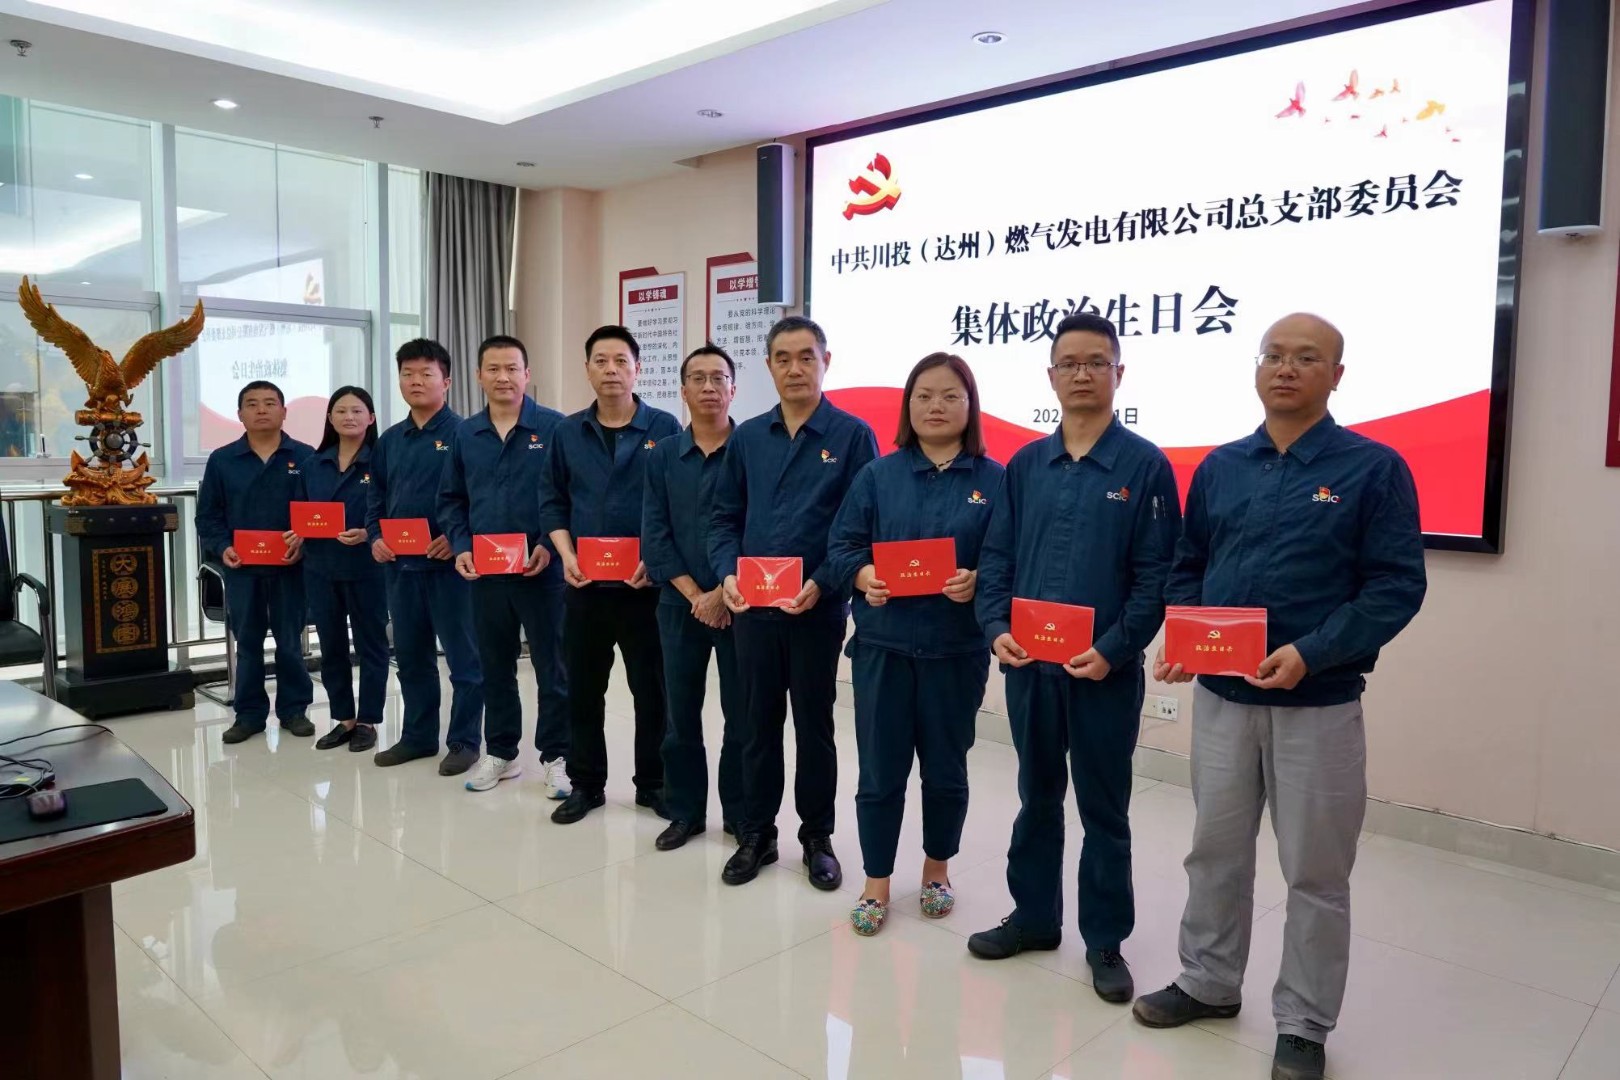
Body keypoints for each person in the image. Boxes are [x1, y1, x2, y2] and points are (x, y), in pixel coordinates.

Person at [1132, 313, 1427, 1080]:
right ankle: (1208, 980)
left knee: (1316, 874)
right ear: (1257, 368)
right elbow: (1189, 564)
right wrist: (1186, 634)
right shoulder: (1222, 467)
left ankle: (1303, 1022)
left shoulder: (1373, 469)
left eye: (1306, 357)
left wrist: (1311, 652)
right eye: (1274, 355)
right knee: (1215, 852)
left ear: (1337, 375)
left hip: (1319, 705)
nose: (1286, 368)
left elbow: (1396, 587)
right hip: (1223, 703)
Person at [970, 312, 1181, 1004]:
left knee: (1104, 808)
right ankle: (1034, 917)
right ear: (1051, 376)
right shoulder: (1026, 466)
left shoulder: (1145, 466)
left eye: (1096, 362)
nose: (1082, 374)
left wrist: (1116, 648)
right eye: (1070, 363)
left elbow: (1156, 577)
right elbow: (996, 558)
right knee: (1036, 796)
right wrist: (995, 626)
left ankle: (1105, 940)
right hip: (1030, 669)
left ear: (1119, 373)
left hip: (1103, 674)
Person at [825, 353, 1004, 936]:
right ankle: (876, 882)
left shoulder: (996, 480)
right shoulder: (878, 476)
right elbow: (842, 547)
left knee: (946, 771)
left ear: (970, 405)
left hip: (955, 653)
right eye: (924, 395)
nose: (936, 406)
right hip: (884, 650)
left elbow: (1010, 559)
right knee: (880, 772)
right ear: (908, 406)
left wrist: (979, 579)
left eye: (950, 395)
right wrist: (863, 576)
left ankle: (936, 872)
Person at [711, 315, 878, 890]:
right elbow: (723, 518)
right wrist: (726, 574)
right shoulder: (748, 438)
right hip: (752, 611)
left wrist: (825, 581)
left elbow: (860, 528)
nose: (795, 368)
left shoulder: (852, 436)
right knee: (755, 724)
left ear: (825, 362)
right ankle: (757, 833)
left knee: (814, 726)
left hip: (817, 609)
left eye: (807, 357)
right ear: (768, 367)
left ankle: (817, 837)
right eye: (783, 358)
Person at [540, 325, 681, 825]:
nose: (611, 370)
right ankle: (586, 785)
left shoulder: (665, 427)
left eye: (621, 361)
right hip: (584, 588)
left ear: (637, 368)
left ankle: (654, 784)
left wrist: (655, 558)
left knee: (652, 691)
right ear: (587, 370)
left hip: (645, 589)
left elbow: (675, 503)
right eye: (601, 361)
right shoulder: (566, 432)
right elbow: (552, 501)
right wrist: (566, 555)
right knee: (583, 689)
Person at [437, 335, 570, 796]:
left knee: (553, 667)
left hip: (542, 573)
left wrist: (548, 545)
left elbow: (567, 496)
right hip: (487, 575)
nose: (503, 377)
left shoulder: (555, 428)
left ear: (527, 374)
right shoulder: (465, 434)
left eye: (512, 368)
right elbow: (451, 499)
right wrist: (461, 546)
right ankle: (502, 752)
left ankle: (556, 756)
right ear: (478, 376)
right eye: (493, 368)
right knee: (494, 666)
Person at [641, 344, 745, 851]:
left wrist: (722, 593)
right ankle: (685, 811)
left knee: (742, 715)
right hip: (678, 605)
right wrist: (697, 596)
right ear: (682, 391)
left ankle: (741, 815)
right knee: (680, 714)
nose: (708, 387)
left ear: (733, 389)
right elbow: (655, 533)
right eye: (698, 378)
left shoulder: (751, 449)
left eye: (718, 378)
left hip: (739, 603)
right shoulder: (663, 455)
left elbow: (757, 528)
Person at [366, 339, 485, 774]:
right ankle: (417, 737)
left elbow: (480, 497)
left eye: (426, 373)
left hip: (451, 568)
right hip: (400, 568)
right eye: (408, 374)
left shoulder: (465, 434)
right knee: (412, 657)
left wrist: (458, 539)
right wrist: (375, 536)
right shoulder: (389, 440)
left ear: (446, 382)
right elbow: (376, 498)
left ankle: (464, 741)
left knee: (464, 661)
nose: (416, 381)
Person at [195, 380, 316, 744]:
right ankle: (248, 715)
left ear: (284, 411)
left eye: (269, 403)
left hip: (291, 568)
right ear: (240, 414)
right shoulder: (222, 460)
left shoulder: (305, 457)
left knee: (290, 642)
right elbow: (208, 517)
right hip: (242, 569)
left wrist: (304, 540)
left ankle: (294, 710)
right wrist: (223, 547)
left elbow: (317, 512)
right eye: (252, 404)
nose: (261, 409)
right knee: (247, 644)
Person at [301, 386, 389, 754]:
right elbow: (303, 512)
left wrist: (369, 533)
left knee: (371, 645)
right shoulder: (313, 464)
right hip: (320, 567)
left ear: (371, 418)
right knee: (332, 646)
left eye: (357, 410)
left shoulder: (382, 461)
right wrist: (298, 531)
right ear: (330, 418)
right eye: (341, 411)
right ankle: (344, 719)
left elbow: (392, 510)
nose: (349, 417)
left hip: (368, 566)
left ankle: (368, 720)